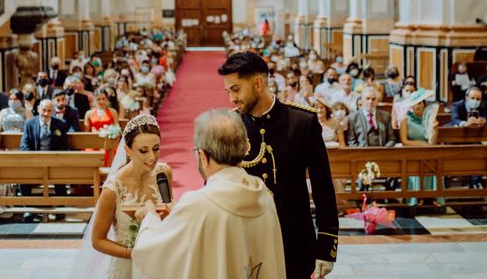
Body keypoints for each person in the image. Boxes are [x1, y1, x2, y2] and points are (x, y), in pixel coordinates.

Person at [218, 52, 338, 279]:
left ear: (258, 83)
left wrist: (326, 247)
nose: (232, 99)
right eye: (229, 91)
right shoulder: (230, 125)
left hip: (293, 241)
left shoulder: (302, 122)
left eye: (236, 89)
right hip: (245, 242)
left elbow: (323, 189)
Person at [132, 109, 286, 279]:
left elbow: (152, 255)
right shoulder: (264, 196)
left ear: (203, 156)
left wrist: (149, 218)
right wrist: (179, 213)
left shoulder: (196, 205)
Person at [90, 114, 171, 278]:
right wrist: (133, 254)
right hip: (127, 266)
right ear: (127, 150)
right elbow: (98, 240)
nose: (152, 157)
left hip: (158, 263)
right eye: (143, 151)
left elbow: (167, 214)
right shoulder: (113, 188)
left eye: (156, 148)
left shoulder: (164, 173)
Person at [398, 89, 443, 206]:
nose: (417, 106)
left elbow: (432, 143)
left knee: (434, 163)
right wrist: (421, 144)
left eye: (420, 103)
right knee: (416, 163)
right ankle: (416, 197)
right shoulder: (405, 120)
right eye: (415, 103)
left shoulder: (430, 119)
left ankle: (432, 197)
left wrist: (434, 129)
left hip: (428, 151)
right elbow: (404, 141)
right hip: (411, 151)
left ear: (424, 105)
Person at [19, 99, 69, 202]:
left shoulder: (60, 124)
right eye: (44, 110)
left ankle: (60, 208)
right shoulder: (29, 124)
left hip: (54, 163)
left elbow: (64, 145)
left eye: (49, 111)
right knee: (22, 178)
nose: (46, 114)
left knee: (60, 178)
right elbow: (24, 146)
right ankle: (28, 209)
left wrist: (53, 159)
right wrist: (35, 160)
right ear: (38, 109)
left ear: (53, 111)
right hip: (34, 163)